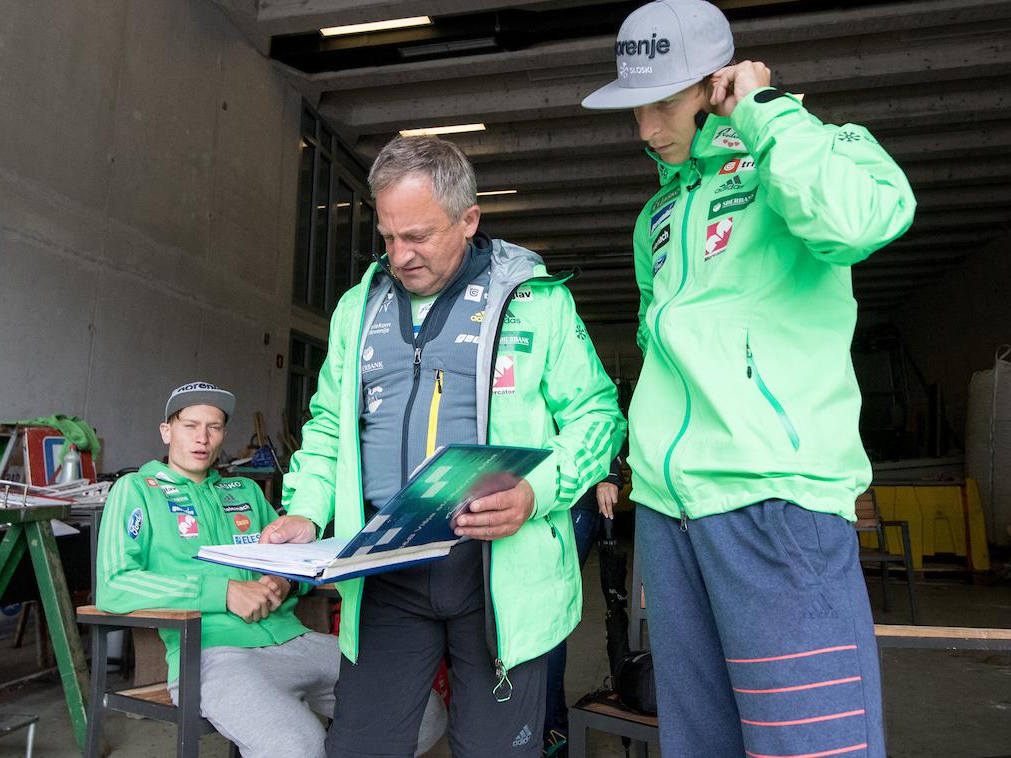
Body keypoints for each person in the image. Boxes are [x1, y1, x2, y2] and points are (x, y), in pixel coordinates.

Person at [581, 1, 916, 756]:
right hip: (672, 514)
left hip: (774, 499)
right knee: (699, 741)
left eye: (660, 103)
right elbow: (657, 344)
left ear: (714, 84)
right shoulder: (659, 215)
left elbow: (864, 220)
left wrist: (763, 113)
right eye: (633, 107)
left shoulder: (811, 149)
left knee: (811, 745)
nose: (643, 128)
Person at [262, 135, 626, 757]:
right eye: (387, 237)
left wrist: (536, 493)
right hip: (384, 571)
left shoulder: (537, 304)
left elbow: (597, 416)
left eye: (419, 237)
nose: (399, 256)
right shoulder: (359, 308)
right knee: (359, 748)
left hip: (497, 576)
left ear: (468, 219)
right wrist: (305, 507)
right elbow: (327, 424)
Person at [96, 381, 445, 758]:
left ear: (223, 434)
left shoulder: (244, 491)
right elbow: (115, 585)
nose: (202, 438)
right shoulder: (138, 490)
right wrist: (224, 593)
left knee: (425, 712)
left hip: (295, 640)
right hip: (214, 654)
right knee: (298, 747)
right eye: (189, 425)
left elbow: (298, 563)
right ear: (167, 431)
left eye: (213, 427)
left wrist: (285, 583)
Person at [542, 456, 623, 757]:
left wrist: (610, 474)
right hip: (533, 493)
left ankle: (553, 732)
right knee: (531, 609)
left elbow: (607, 413)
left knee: (549, 612)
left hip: (579, 496)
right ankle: (534, 724)